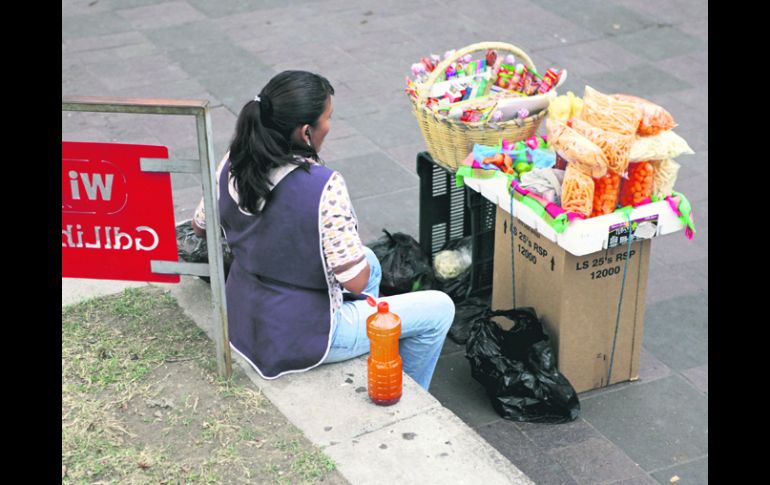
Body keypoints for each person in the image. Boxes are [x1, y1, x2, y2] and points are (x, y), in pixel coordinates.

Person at [192, 70, 454, 390]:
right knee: (440, 309)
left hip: (245, 315)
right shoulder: (323, 186)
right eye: (328, 117)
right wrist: (342, 228)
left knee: (370, 261)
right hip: (300, 337)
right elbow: (352, 279)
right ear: (305, 132)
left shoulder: (233, 159)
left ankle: (372, 346)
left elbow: (199, 225)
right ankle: (405, 394)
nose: (330, 125)